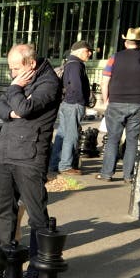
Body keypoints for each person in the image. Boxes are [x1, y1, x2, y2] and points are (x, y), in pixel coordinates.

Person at [0, 43, 61, 261]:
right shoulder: (20, 81)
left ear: (31, 64)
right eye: (10, 68)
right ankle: (4, 256)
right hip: (7, 151)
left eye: (15, 68)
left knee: (36, 214)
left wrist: (14, 92)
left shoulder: (48, 83)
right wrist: (12, 111)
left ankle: (40, 262)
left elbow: (25, 109)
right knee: (5, 209)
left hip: (30, 157)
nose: (12, 74)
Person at [97, 27, 140, 183]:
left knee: (113, 139)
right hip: (138, 103)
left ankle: (106, 173)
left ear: (125, 42)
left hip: (116, 102)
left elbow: (105, 80)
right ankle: (128, 176)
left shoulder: (114, 58)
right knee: (132, 140)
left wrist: (105, 100)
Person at [49, 40, 92, 176]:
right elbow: (75, 86)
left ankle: (55, 164)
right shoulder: (76, 65)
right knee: (71, 135)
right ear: (80, 51)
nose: (90, 54)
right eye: (87, 51)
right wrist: (81, 102)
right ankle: (66, 166)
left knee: (62, 134)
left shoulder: (70, 63)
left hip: (66, 103)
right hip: (73, 103)